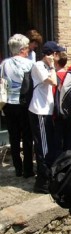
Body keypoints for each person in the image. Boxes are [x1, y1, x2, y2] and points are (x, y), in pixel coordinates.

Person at [29, 41, 65, 193]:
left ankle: (47, 178)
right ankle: (42, 183)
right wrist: (51, 66)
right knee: (43, 148)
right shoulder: (38, 65)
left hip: (47, 111)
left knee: (49, 145)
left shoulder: (48, 67)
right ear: (50, 54)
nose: (59, 56)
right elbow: (53, 82)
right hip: (40, 111)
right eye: (57, 53)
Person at [0, 34, 34, 177]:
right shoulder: (29, 64)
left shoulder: (4, 64)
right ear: (22, 49)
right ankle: (28, 170)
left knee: (13, 137)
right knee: (27, 137)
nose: (28, 51)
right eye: (26, 48)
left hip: (8, 104)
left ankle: (18, 169)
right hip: (24, 104)